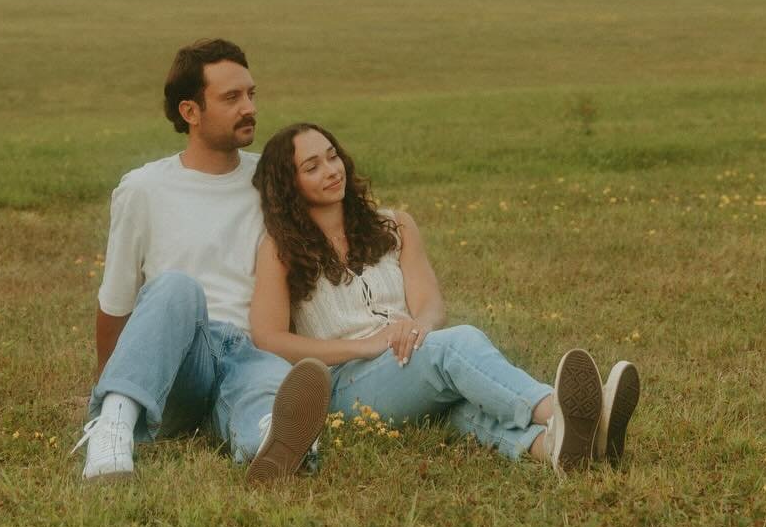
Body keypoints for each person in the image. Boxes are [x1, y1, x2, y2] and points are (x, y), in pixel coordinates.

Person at [250, 123, 640, 471]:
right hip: (345, 387)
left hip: (408, 360)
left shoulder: (394, 225)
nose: (332, 170)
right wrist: (367, 346)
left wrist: (417, 326)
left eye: (332, 157)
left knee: (461, 403)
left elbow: (430, 303)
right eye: (312, 166)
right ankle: (566, 412)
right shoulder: (279, 250)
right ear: (289, 185)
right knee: (457, 346)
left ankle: (554, 447)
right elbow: (268, 338)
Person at [73, 39, 331, 484]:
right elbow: (115, 302)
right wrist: (111, 380)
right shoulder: (144, 189)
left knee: (268, 376)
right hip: (179, 361)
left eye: (251, 94)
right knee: (177, 287)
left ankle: (271, 441)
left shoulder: (270, 178)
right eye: (231, 98)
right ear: (190, 112)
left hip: (251, 351)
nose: (248, 107)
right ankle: (111, 426)